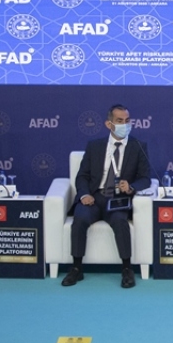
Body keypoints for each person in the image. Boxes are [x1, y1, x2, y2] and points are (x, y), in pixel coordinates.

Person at [64, 104, 153, 289]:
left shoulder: (138, 146)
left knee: (120, 221)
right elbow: (82, 176)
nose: (124, 125)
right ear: (109, 124)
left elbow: (145, 178)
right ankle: (76, 268)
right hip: (95, 197)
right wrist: (84, 194)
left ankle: (127, 269)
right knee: (80, 219)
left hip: (118, 198)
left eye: (127, 121)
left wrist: (131, 187)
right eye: (119, 121)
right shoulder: (95, 146)